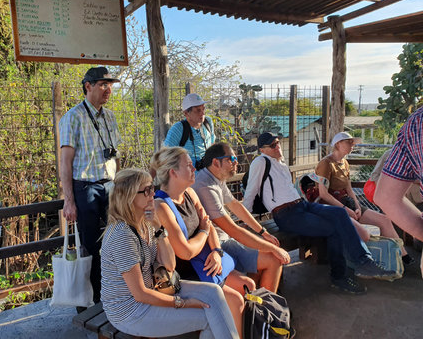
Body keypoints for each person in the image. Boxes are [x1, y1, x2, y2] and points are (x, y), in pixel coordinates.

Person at [243, 132, 396, 295]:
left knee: (340, 214)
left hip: (301, 205)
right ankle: (341, 276)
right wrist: (246, 222)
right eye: (272, 145)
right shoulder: (260, 162)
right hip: (286, 214)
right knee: (334, 228)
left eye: (278, 142)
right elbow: (250, 193)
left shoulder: (280, 162)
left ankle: (363, 261)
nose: (278, 146)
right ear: (262, 149)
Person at [100, 168, 239, 339]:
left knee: (214, 293)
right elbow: (140, 294)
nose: (153, 194)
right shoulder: (122, 236)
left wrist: (159, 230)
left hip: (154, 290)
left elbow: (170, 266)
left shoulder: (147, 223)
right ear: (129, 197)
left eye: (152, 187)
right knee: (207, 318)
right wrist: (183, 303)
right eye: (146, 191)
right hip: (130, 311)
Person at [151, 147, 253, 338]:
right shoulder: (161, 206)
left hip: (205, 263)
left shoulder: (189, 192)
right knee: (236, 300)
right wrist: (204, 231)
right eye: (189, 166)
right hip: (185, 274)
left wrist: (216, 251)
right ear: (173, 172)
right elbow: (185, 252)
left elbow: (210, 227)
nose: (194, 169)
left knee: (248, 285)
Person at [59, 66, 121, 305]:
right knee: (91, 246)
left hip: (111, 186)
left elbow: (114, 156)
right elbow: (65, 162)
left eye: (110, 85)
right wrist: (69, 200)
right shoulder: (72, 117)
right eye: (103, 85)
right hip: (85, 188)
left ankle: (115, 292)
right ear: (88, 86)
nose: (108, 90)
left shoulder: (110, 117)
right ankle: (93, 299)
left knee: (116, 240)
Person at [193, 142, 290, 292]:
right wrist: (271, 247)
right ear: (215, 162)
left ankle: (259, 306)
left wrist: (262, 232)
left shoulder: (216, 178)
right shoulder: (206, 186)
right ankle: (264, 311)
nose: (236, 162)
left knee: (267, 254)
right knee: (274, 258)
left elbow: (235, 205)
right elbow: (233, 230)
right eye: (231, 158)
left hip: (225, 240)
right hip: (218, 246)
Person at [315, 132, 413, 265]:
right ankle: (364, 263)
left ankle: (402, 257)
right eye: (349, 142)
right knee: (363, 234)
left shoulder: (345, 162)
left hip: (347, 203)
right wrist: (346, 210)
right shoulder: (325, 163)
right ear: (338, 144)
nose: (352, 146)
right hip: (332, 208)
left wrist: (356, 206)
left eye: (353, 143)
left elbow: (349, 188)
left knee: (384, 220)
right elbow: (323, 195)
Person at [375, 106, 423, 242]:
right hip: (408, 195)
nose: (351, 146)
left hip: (405, 195)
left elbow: (385, 197)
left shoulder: (416, 122)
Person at [163, 93, 215, 168]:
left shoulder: (208, 123)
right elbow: (165, 156)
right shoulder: (178, 129)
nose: (202, 113)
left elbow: (212, 145)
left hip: (207, 171)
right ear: (186, 113)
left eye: (203, 109)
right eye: (198, 110)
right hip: (186, 174)